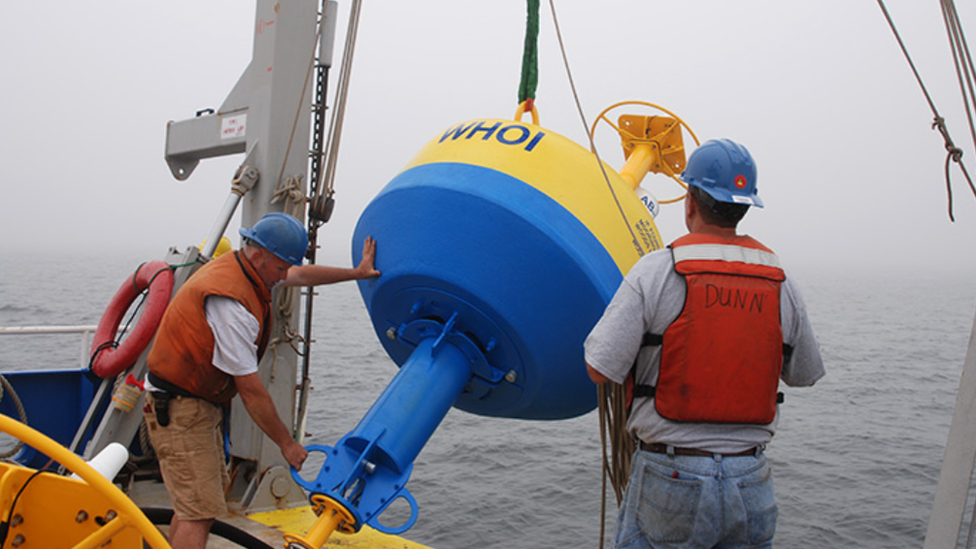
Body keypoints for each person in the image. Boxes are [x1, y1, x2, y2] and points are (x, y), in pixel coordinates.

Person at [584, 139, 824, 549]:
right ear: (746, 206)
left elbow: (599, 368)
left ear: (690, 201)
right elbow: (803, 374)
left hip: (670, 476)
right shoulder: (780, 282)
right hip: (750, 481)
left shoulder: (656, 272)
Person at [143, 212, 381, 549]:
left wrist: (356, 274)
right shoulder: (231, 304)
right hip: (182, 409)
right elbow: (252, 392)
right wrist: (287, 444)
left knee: (195, 505)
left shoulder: (247, 269)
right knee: (198, 511)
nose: (284, 276)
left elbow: (300, 274)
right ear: (259, 256)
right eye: (281, 268)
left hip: (196, 403)